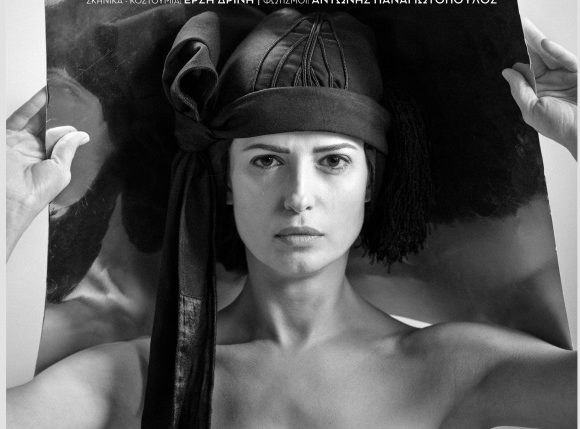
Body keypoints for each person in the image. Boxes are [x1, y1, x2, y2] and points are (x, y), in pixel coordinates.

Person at [6, 11, 577, 429]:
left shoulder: (455, 368)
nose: (299, 196)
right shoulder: (130, 378)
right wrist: (7, 211)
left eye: (333, 161)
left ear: (371, 183)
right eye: (266, 160)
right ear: (227, 182)